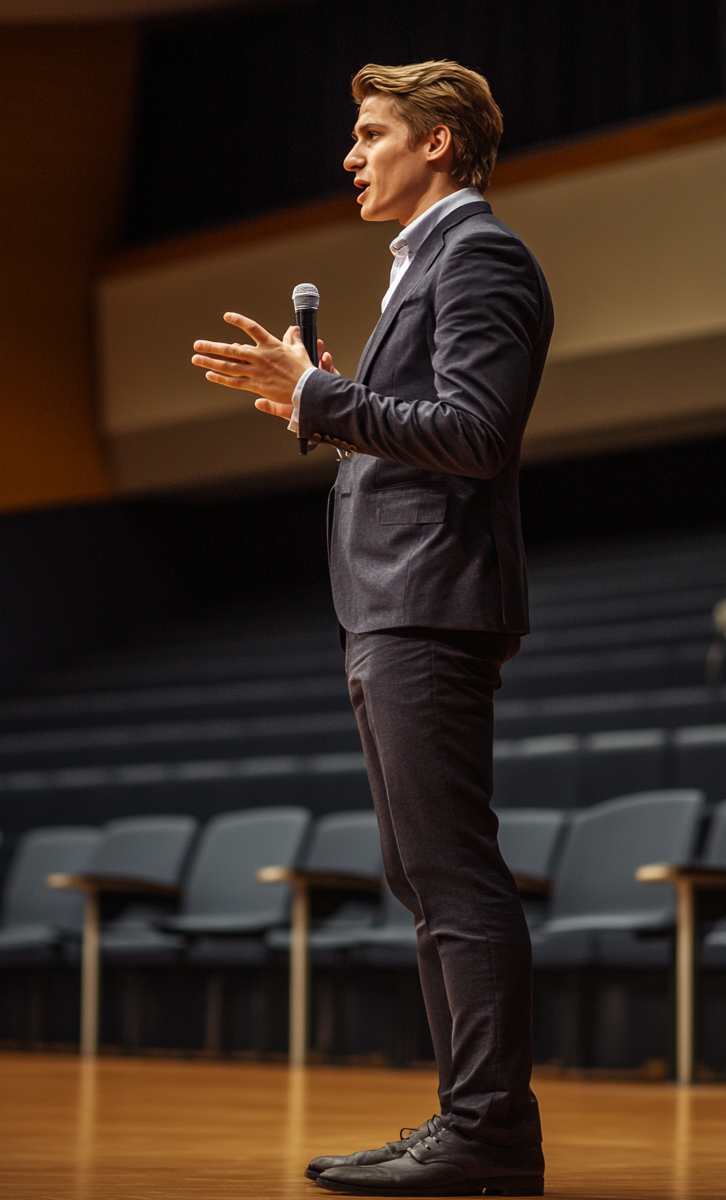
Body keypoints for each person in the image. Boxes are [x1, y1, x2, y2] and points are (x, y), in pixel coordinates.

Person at [192, 59, 552, 1198]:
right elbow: (428, 427)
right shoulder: (423, 269)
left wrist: (321, 402)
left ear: (437, 142)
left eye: (369, 133)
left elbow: (478, 432)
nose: (350, 155)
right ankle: (469, 1119)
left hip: (430, 603)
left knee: (453, 875)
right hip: (394, 603)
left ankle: (490, 1133)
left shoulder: (478, 253)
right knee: (426, 876)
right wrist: (340, 408)